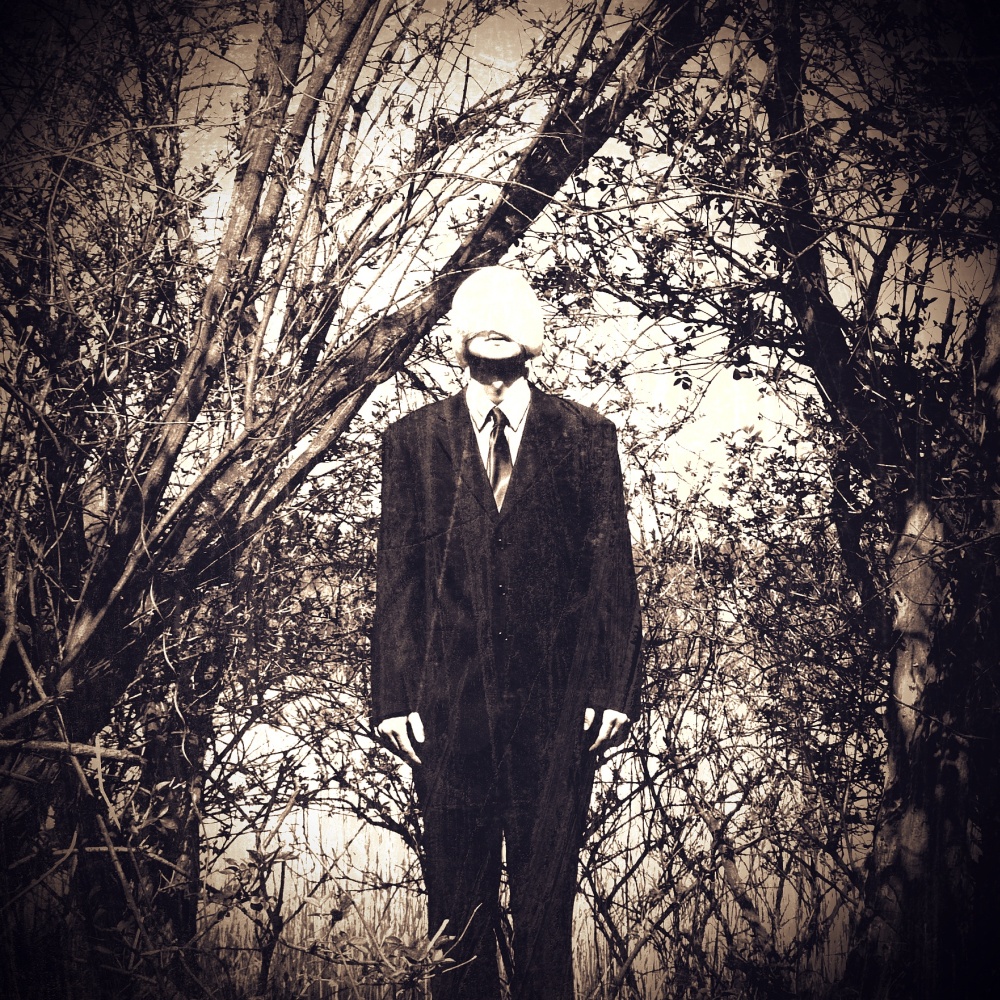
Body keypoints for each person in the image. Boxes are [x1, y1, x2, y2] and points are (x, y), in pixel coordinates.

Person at [371, 266, 642, 1000]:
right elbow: (398, 575)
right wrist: (393, 697)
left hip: (556, 716)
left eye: (509, 318)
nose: (494, 331)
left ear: (534, 339)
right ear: (458, 338)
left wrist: (612, 688)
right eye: (479, 318)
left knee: (546, 925)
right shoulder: (412, 440)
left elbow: (609, 569)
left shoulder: (586, 436)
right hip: (446, 716)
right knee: (455, 928)